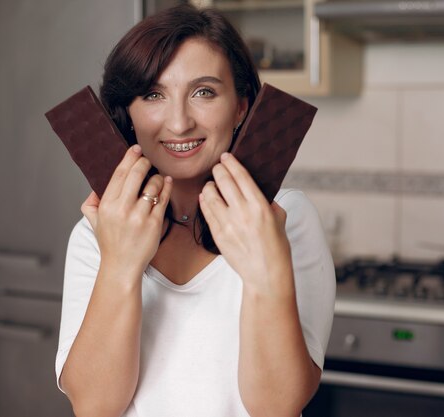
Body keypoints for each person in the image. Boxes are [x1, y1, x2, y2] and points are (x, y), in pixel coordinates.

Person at [55, 4, 336, 417]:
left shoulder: (285, 219)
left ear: (241, 106)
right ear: (127, 114)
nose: (180, 123)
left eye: (204, 92)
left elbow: (277, 406)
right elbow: (95, 407)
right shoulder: (96, 232)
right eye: (153, 95)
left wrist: (264, 269)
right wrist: (120, 264)